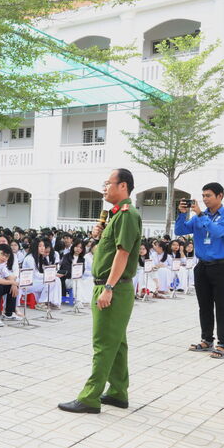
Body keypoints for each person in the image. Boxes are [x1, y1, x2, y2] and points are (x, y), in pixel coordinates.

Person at [59, 168, 141, 414]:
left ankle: (89, 397)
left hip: (112, 288)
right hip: (110, 286)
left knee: (103, 343)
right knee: (116, 343)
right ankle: (117, 392)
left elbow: (123, 254)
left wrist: (108, 287)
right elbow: (106, 252)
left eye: (108, 183)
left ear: (123, 186)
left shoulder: (127, 214)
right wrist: (98, 236)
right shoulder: (114, 216)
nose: (104, 188)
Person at [175, 183, 224, 359]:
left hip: (222, 266)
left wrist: (200, 214)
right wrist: (181, 213)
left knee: (223, 307)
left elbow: (217, 232)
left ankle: (223, 344)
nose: (204, 199)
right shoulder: (197, 218)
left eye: (208, 195)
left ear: (220, 196)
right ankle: (207, 340)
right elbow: (180, 231)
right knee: (204, 306)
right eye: (203, 196)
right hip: (202, 266)